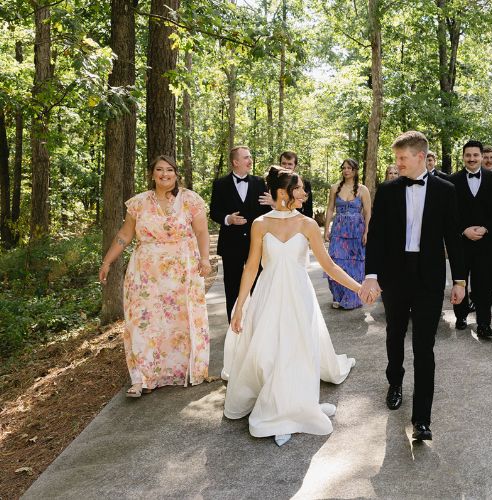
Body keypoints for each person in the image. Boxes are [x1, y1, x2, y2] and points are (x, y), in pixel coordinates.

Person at [223, 166, 359, 447]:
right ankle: (277, 413)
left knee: (297, 351)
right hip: (268, 295)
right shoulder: (260, 223)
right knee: (269, 353)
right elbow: (250, 268)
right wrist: (239, 307)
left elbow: (330, 265)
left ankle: (295, 408)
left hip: (299, 296)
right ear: (283, 192)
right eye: (299, 188)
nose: (304, 193)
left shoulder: (308, 224)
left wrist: (359, 288)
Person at [359, 130, 466, 441]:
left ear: (420, 157)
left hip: (429, 276)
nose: (398, 163)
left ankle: (422, 419)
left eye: (402, 158)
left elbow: (452, 237)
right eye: (396, 159)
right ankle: (395, 381)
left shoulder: (446, 190)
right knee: (394, 333)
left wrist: (459, 280)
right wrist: (371, 275)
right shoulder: (388, 190)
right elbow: (376, 236)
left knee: (424, 346)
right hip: (394, 274)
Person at [99, 155, 211, 398]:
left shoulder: (191, 200)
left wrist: (205, 259)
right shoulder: (138, 203)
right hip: (146, 272)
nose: (164, 174)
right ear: (151, 174)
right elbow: (125, 234)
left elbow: (202, 231)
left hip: (183, 269)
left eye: (169, 170)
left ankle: (183, 370)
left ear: (176, 173)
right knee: (144, 321)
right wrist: (107, 261)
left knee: (179, 320)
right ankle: (143, 378)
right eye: (159, 170)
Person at [447, 140, 492, 337]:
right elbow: (449, 214)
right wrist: (463, 230)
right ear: (463, 157)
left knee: (483, 284)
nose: (472, 159)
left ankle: (484, 324)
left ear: (482, 156)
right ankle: (461, 316)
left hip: (487, 241)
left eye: (476, 155)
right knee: (460, 280)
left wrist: (486, 229)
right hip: (461, 241)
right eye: (468, 155)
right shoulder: (452, 181)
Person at [209, 145, 270, 322]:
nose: (250, 161)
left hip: (256, 243)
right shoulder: (220, 184)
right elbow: (214, 212)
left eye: (250, 157)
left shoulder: (260, 183)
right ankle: (234, 326)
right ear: (235, 162)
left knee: (258, 284)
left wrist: (273, 203)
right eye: (246, 158)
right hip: (231, 245)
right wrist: (228, 218)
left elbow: (268, 210)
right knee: (232, 286)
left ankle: (258, 323)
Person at [324, 159, 371, 310]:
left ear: (355, 170)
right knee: (335, 261)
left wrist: (367, 231)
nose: (346, 171)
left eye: (349, 168)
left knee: (355, 264)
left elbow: (368, 212)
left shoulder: (363, 190)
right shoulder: (334, 187)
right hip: (338, 229)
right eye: (343, 168)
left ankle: (353, 296)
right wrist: (326, 229)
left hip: (356, 230)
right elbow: (330, 209)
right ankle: (338, 296)